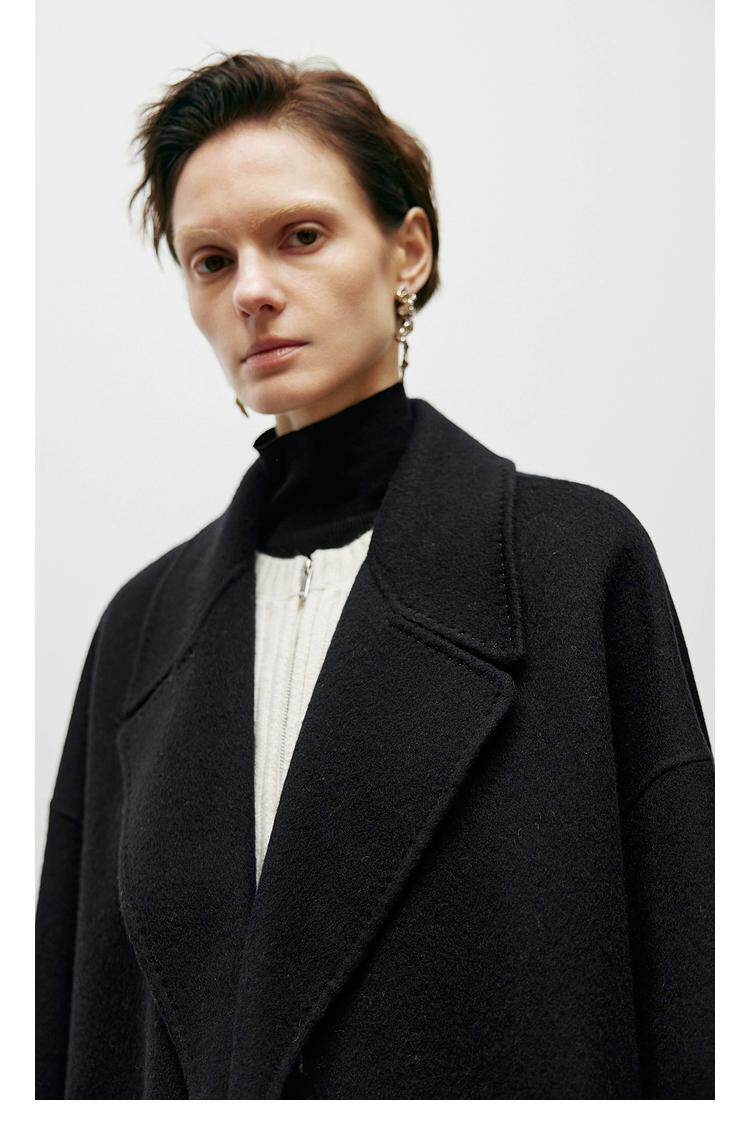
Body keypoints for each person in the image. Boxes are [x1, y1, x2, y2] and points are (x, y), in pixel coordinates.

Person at [36, 51, 714, 1100]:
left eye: (300, 236)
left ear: (408, 250)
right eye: (210, 260)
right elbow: (78, 1032)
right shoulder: (141, 631)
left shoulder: (574, 565)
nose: (252, 291)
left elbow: (692, 992)